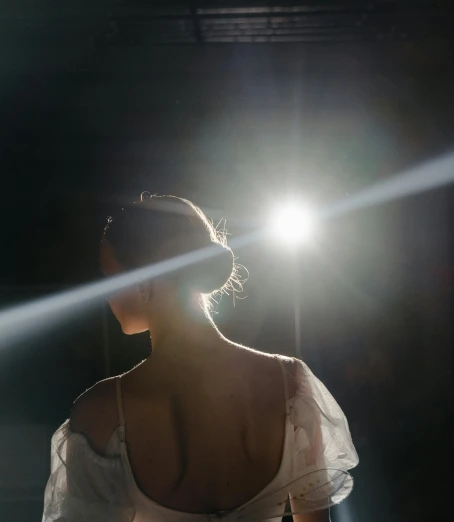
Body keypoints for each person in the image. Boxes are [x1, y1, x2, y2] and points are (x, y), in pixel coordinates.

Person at [43, 194, 358, 522]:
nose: (106, 294)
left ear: (144, 281)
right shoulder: (290, 384)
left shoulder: (101, 414)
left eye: (111, 277)